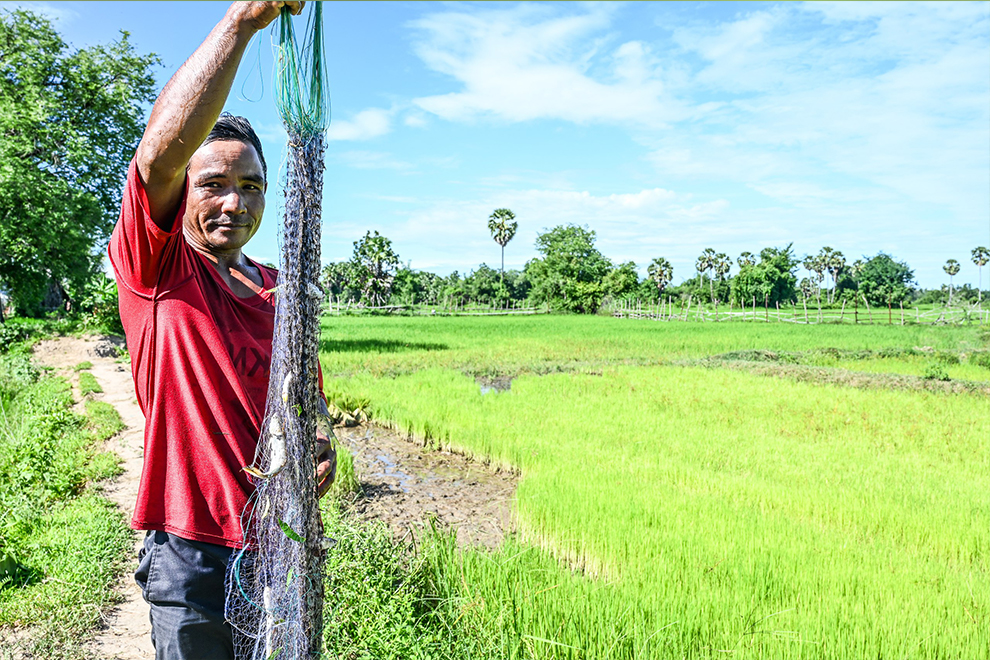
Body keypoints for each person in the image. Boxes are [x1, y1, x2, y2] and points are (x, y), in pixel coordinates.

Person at [108, 2, 334, 658]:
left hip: (283, 546)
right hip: (192, 558)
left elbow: (309, 398)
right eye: (213, 184)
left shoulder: (281, 291)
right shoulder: (159, 267)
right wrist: (242, 22)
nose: (234, 200)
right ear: (185, 192)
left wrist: (322, 438)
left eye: (251, 185)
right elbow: (157, 155)